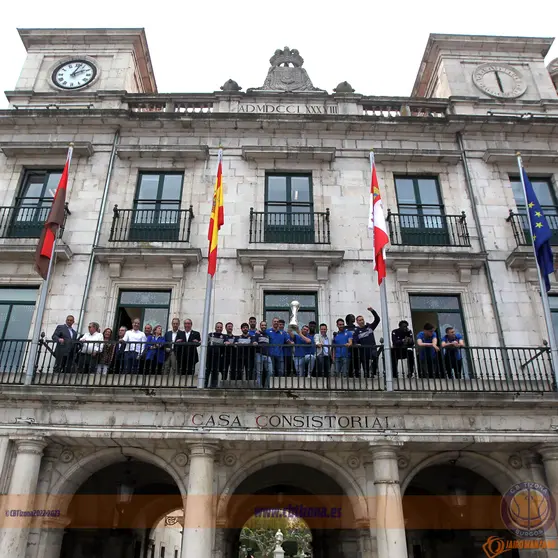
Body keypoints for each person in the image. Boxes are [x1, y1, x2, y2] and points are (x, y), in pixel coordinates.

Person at [352, 307, 381, 378]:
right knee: (366, 369)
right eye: (359, 320)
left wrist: (372, 311)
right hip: (363, 352)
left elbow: (377, 319)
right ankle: (367, 377)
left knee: (375, 357)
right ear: (357, 322)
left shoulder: (370, 327)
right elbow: (354, 340)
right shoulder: (356, 331)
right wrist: (356, 344)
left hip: (372, 349)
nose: (361, 321)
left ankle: (373, 371)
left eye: (362, 320)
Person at [266, 317, 292, 386]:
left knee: (281, 371)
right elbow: (261, 334)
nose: (276, 322)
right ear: (272, 322)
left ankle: (279, 387)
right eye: (275, 321)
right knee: (271, 372)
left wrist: (293, 342)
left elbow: (288, 341)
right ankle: (270, 386)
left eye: (277, 321)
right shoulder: (268, 331)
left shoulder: (283, 333)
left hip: (280, 354)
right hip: (270, 354)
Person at [206, 322, 226, 388]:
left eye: (220, 327)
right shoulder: (210, 334)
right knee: (207, 370)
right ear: (215, 327)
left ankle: (213, 385)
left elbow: (226, 344)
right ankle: (205, 385)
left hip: (218, 356)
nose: (219, 328)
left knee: (215, 371)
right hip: (209, 356)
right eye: (218, 327)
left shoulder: (224, 336)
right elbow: (205, 342)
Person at [254, 321, 271, 388]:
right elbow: (254, 341)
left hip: (267, 355)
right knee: (259, 372)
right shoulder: (257, 334)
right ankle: (259, 387)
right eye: (262, 325)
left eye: (265, 325)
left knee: (270, 371)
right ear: (260, 326)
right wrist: (255, 342)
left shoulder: (268, 335)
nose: (264, 326)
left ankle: (266, 387)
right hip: (259, 354)